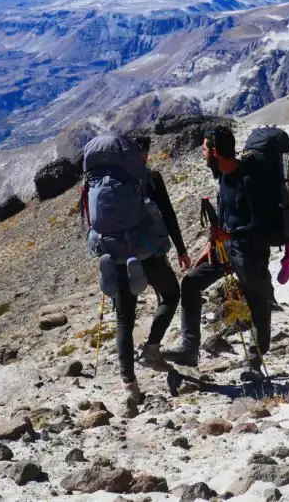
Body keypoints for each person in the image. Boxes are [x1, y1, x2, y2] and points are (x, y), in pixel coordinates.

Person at [164, 126, 278, 375]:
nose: (203, 155)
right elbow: (223, 217)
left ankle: (254, 361)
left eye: (205, 150)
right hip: (225, 250)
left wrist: (232, 235)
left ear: (215, 151)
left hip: (250, 253)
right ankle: (189, 349)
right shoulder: (224, 178)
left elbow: (263, 224)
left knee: (258, 304)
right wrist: (210, 244)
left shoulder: (250, 180)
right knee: (191, 283)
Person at [111, 135, 191, 395]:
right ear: (142, 154)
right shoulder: (151, 178)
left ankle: (129, 383)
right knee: (170, 294)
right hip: (150, 255)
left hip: (119, 258)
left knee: (124, 318)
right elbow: (168, 214)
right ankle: (151, 349)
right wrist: (180, 250)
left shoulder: (108, 182)